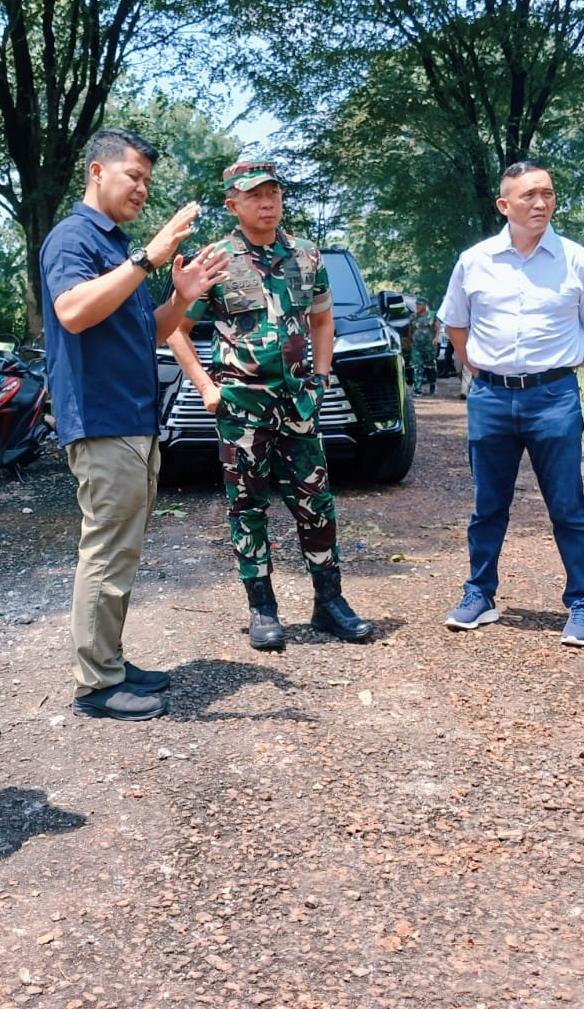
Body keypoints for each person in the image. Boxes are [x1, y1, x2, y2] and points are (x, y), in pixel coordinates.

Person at [41, 128, 229, 721]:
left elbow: (146, 331)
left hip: (132, 418)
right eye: (133, 176)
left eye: (148, 180)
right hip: (100, 419)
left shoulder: (115, 247)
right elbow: (72, 312)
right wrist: (145, 257)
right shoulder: (74, 238)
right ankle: (96, 685)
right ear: (96, 172)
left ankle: (111, 663)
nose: (142, 189)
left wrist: (181, 296)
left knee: (120, 549)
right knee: (105, 550)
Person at [167, 160, 374, 652]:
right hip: (241, 407)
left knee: (316, 503)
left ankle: (330, 603)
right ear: (232, 204)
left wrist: (321, 377)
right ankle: (263, 609)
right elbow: (175, 326)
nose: (267, 203)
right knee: (247, 507)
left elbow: (323, 321)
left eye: (274, 193)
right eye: (255, 195)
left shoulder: (305, 255)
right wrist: (205, 388)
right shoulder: (213, 260)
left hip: (299, 404)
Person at [437, 160, 584, 647]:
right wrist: (473, 365)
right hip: (491, 396)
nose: (540, 203)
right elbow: (455, 322)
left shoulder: (578, 261)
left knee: (567, 505)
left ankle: (582, 603)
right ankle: (479, 594)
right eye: (529, 195)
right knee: (487, 505)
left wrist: (565, 365)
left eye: (548, 194)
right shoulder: (475, 261)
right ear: (504, 204)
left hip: (554, 398)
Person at [410, 298, 438, 395]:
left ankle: (432, 383)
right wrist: (410, 341)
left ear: (425, 304)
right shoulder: (413, 316)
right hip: (416, 346)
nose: (417, 306)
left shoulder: (433, 315)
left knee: (431, 367)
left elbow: (438, 327)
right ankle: (417, 389)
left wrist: (436, 338)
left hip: (429, 346)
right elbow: (410, 330)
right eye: (416, 304)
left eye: (419, 304)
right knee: (417, 367)